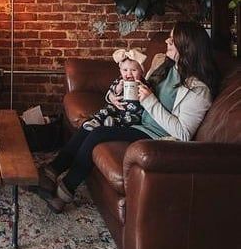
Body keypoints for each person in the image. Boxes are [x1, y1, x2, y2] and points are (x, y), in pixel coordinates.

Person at [41, 21, 219, 213]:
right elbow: (136, 85)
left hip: (156, 134)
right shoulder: (164, 63)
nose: (167, 40)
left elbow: (183, 133)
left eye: (173, 39)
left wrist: (150, 101)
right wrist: (114, 96)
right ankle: (52, 171)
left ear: (186, 47)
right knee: (89, 126)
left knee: (97, 135)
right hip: (138, 119)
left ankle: (65, 190)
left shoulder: (198, 90)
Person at [82, 48, 147, 130]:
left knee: (133, 119)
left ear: (141, 71)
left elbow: (149, 96)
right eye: (125, 70)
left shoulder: (144, 84)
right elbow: (111, 92)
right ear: (120, 71)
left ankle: (113, 123)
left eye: (133, 70)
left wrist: (143, 92)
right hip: (117, 107)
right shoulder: (120, 81)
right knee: (107, 109)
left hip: (133, 112)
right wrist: (117, 88)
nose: (129, 74)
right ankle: (96, 121)